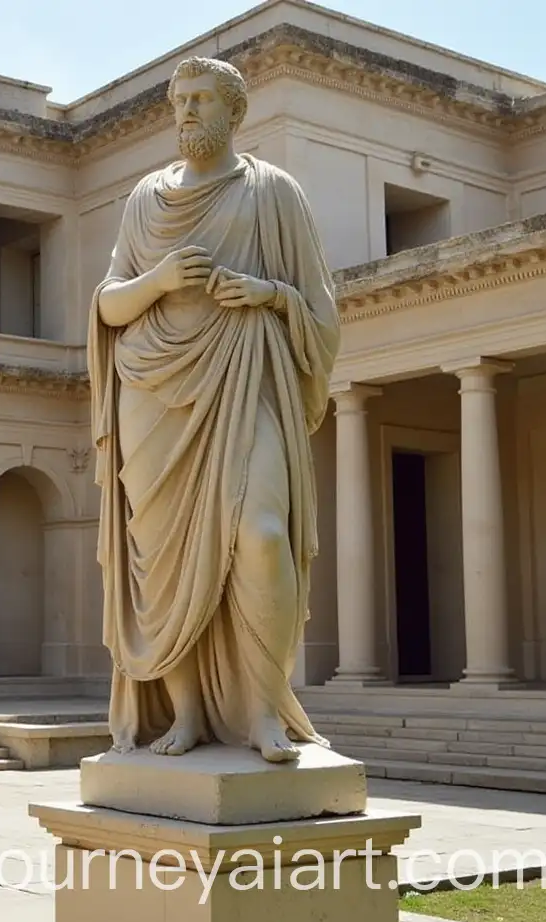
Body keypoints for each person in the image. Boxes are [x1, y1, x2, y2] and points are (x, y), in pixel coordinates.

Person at [89, 56, 341, 763]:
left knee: (261, 535)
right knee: (165, 562)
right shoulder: (144, 199)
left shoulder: (273, 194)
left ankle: (264, 709)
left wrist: (268, 295)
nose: (186, 112)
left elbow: (321, 309)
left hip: (244, 380)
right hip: (151, 393)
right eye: (179, 100)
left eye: (201, 99)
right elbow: (108, 303)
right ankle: (189, 713)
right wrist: (159, 280)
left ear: (236, 111)